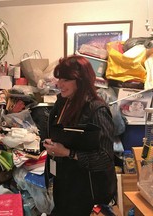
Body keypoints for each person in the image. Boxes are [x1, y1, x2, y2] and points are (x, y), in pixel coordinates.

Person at [43, 55, 117, 215]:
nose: (59, 84)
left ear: (81, 80)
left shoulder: (96, 110)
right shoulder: (62, 103)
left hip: (85, 190)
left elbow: (105, 158)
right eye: (59, 79)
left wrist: (68, 153)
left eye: (65, 79)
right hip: (64, 182)